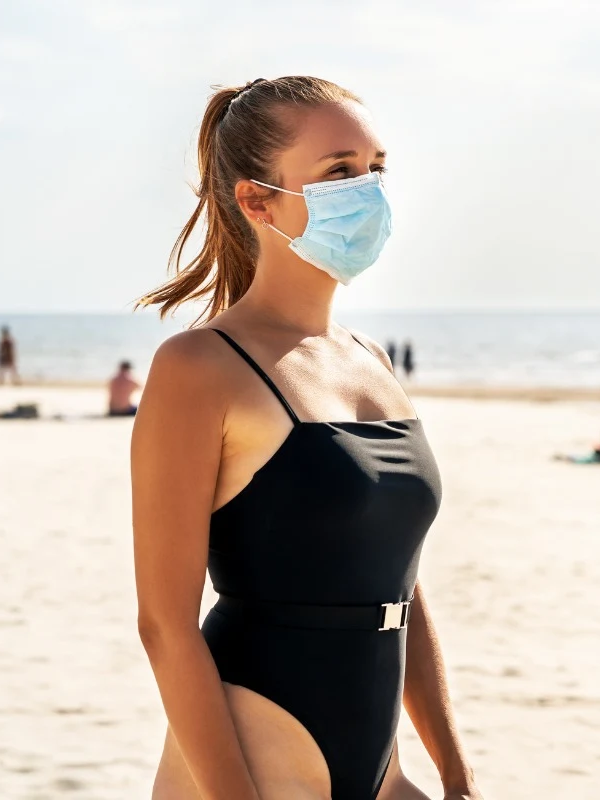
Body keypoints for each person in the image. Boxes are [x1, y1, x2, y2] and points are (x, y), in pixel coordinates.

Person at [132, 77, 482, 800]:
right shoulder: (200, 367)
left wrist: (456, 772)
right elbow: (166, 625)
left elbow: (399, 587)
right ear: (257, 200)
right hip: (254, 765)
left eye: (375, 167)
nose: (369, 191)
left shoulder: (370, 360)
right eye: (339, 172)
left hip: (382, 767)